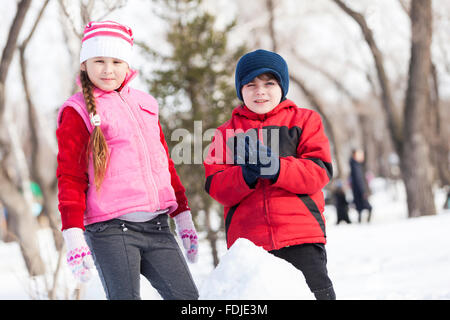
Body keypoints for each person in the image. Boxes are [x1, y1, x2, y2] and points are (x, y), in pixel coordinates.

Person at [56, 21, 199, 300]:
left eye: (116, 61)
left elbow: (164, 164)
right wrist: (73, 235)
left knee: (188, 299)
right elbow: (70, 176)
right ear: (85, 64)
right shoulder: (77, 110)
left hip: (158, 227)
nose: (108, 69)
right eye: (99, 60)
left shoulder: (146, 104)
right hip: (111, 229)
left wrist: (183, 217)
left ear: (127, 65)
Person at [203, 49, 336, 300]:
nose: (260, 91)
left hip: (301, 237)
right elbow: (216, 185)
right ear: (240, 90)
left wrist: (277, 168)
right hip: (250, 246)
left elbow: (318, 172)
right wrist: (246, 175)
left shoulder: (305, 121)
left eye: (269, 83)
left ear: (282, 86)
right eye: (250, 84)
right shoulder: (225, 133)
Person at [349, 149, 373, 223]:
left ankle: (361, 220)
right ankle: (365, 221)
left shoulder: (355, 165)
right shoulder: (356, 166)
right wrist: (363, 191)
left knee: (360, 207)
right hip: (359, 190)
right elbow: (359, 179)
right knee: (367, 207)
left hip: (357, 190)